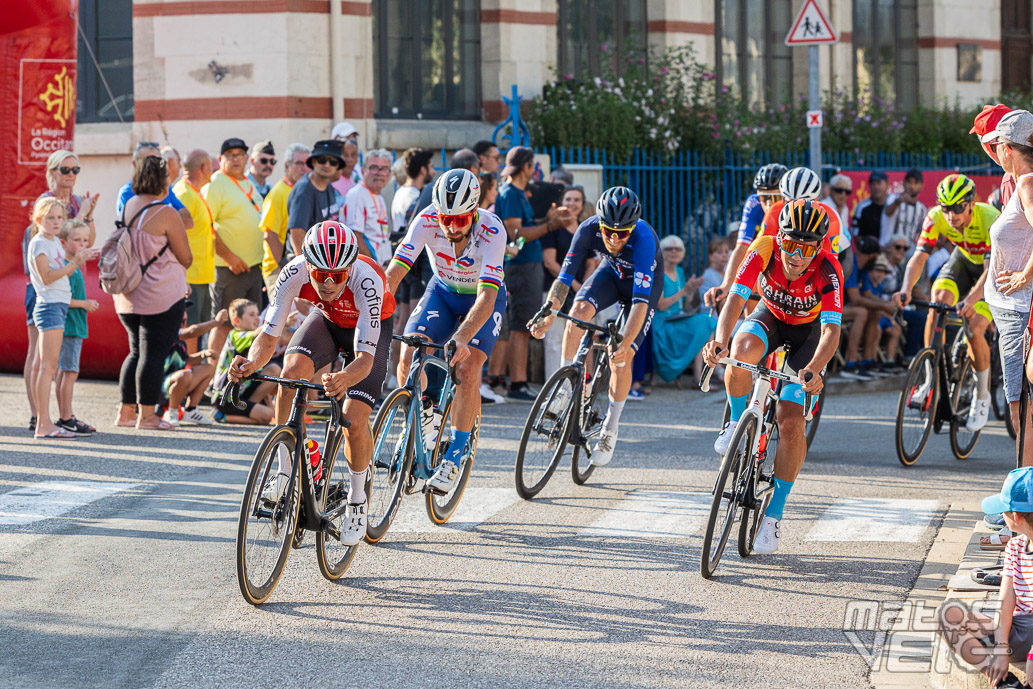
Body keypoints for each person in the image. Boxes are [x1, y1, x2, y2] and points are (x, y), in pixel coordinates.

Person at [229, 221, 396, 547]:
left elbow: (363, 359)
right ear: (308, 266)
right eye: (321, 275)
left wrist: (344, 377)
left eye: (338, 275)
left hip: (370, 331)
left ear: (350, 267)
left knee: (354, 416)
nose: (330, 283)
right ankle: (285, 470)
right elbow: (268, 335)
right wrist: (251, 365)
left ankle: (358, 500)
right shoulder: (291, 274)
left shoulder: (368, 281)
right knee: (291, 374)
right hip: (328, 321)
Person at [703, 200, 843, 554]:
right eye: (790, 244)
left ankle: (773, 518)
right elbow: (735, 299)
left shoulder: (828, 270)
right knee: (742, 348)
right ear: (778, 236)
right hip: (769, 316)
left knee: (790, 422)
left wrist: (815, 369)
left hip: (807, 335)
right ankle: (737, 423)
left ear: (819, 247)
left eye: (807, 248)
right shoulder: (763, 248)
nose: (796, 256)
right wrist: (719, 340)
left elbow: (830, 333)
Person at [387, 169, 507, 492]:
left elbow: (488, 296)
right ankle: (418, 422)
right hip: (441, 291)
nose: (451, 228)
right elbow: (397, 270)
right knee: (409, 354)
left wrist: (462, 337)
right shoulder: (426, 219)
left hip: (482, 300)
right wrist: (377, 311)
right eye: (445, 219)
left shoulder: (493, 230)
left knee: (466, 368)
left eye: (460, 221)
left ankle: (456, 453)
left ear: (475, 212)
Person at [531, 186, 662, 467]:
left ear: (633, 227)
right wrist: (549, 313)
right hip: (611, 275)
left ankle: (610, 429)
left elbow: (640, 304)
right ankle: (567, 387)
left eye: (622, 233)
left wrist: (625, 344)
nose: (614, 239)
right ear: (599, 223)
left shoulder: (643, 239)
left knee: (621, 358)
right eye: (608, 232)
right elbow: (563, 280)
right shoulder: (588, 228)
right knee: (577, 312)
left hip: (642, 292)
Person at [892, 173, 1000, 432]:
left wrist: (972, 300)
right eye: (946, 208)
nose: (951, 215)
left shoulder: (990, 218)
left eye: (958, 208)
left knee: (974, 327)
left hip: (991, 272)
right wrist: (906, 288)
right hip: (962, 263)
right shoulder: (935, 217)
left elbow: (990, 270)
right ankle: (930, 381)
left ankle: (981, 396)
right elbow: (919, 257)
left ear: (971, 203)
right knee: (936, 306)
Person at [113, 155, 192, 431]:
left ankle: (125, 412)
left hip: (127, 294)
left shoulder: (128, 206)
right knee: (153, 354)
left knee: (135, 351)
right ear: (163, 181)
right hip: (159, 293)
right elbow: (186, 256)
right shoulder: (165, 212)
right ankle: (147, 416)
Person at [936, 466, 1033, 689]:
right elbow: (1006, 602)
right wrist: (1000, 649)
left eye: (1003, 512)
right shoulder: (1015, 547)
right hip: (1020, 628)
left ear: (1015, 517)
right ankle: (1005, 683)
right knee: (946, 616)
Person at [497, 146, 574, 401]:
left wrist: (546, 220)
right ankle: (517, 383)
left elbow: (527, 228)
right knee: (521, 325)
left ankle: (517, 382)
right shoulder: (510, 194)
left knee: (523, 324)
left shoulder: (517, 193)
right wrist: (551, 225)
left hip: (528, 266)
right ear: (527, 167)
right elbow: (517, 235)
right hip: (521, 267)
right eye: (533, 166)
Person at [981, 110, 1033, 466]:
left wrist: (1025, 275)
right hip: (1010, 311)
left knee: (1020, 412)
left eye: (996, 144)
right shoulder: (1018, 182)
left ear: (1007, 148)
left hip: (1019, 312)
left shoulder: (1028, 182)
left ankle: (1022, 510)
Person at [28, 198, 99, 438]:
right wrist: (76, 263)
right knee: (47, 369)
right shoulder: (39, 244)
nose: (57, 222)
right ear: (38, 220)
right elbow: (46, 277)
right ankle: (43, 423)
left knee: (50, 368)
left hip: (57, 306)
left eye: (59, 217)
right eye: (51, 218)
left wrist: (87, 212)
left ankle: (46, 422)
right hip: (49, 307)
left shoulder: (53, 243)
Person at [205, 137, 265, 358]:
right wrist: (229, 257)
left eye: (240, 154)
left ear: (247, 158)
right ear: (221, 159)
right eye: (230, 155)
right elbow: (206, 227)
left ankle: (243, 377)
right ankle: (212, 377)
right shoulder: (216, 184)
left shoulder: (248, 183)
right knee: (224, 323)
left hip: (254, 267)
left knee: (251, 324)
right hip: (230, 268)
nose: (235, 159)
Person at [709, 163, 786, 308]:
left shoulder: (792, 206)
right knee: (751, 286)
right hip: (770, 251)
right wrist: (726, 285)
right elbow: (741, 248)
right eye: (764, 198)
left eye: (774, 196)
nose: (769, 203)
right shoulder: (754, 203)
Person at [540, 185, 597, 378]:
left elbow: (591, 262)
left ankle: (574, 387)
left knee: (577, 338)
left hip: (580, 293)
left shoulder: (585, 229)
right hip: (555, 289)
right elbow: (550, 262)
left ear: (582, 205)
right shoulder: (553, 228)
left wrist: (585, 285)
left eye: (576, 200)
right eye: (568, 199)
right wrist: (574, 285)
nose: (572, 204)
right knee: (554, 341)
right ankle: (553, 387)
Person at [390, 147, 436, 387]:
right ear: (422, 169)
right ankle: (400, 375)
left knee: (404, 319)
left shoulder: (400, 192)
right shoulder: (416, 195)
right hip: (415, 263)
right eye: (431, 166)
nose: (433, 170)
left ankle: (392, 374)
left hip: (406, 262)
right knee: (411, 324)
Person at [55, 219, 100, 435]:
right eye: (77, 240)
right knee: (70, 372)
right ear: (63, 242)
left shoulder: (73, 267)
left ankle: (66, 415)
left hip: (74, 325)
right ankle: (66, 416)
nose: (82, 245)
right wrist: (85, 303)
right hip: (71, 326)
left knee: (65, 372)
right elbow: (62, 298)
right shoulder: (68, 268)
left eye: (85, 240)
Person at [652, 234, 712, 384]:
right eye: (669, 248)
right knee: (705, 322)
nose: (674, 252)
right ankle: (701, 376)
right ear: (661, 251)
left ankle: (699, 376)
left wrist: (690, 291)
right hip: (662, 324)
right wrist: (684, 291)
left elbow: (684, 305)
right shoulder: (658, 272)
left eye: (677, 249)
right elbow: (660, 305)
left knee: (707, 324)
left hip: (677, 320)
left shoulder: (679, 272)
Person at [213, 299, 281, 425]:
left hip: (244, 390)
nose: (257, 318)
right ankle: (222, 416)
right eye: (251, 315)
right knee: (267, 416)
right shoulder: (236, 335)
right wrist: (280, 322)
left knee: (274, 369)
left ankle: (250, 407)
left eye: (257, 314)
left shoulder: (251, 337)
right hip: (226, 396)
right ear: (236, 321)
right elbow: (258, 334)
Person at [259, 142, 311, 297]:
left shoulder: (304, 189)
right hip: (279, 267)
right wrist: (286, 268)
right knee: (284, 318)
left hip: (301, 264)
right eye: (299, 163)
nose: (304, 168)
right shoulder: (278, 193)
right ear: (287, 166)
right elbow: (270, 235)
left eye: (308, 164)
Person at [173, 150, 216, 332]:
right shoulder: (184, 194)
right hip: (190, 276)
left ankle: (196, 361)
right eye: (212, 167)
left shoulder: (192, 192)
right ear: (204, 167)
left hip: (200, 274)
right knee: (190, 329)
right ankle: (190, 362)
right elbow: (173, 235)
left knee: (199, 329)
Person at [160, 308, 226, 426]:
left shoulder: (180, 340)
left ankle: (191, 410)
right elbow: (192, 331)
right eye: (181, 321)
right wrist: (216, 322)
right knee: (185, 375)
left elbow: (187, 360)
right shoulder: (165, 332)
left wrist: (203, 354)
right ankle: (172, 412)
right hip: (160, 385)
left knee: (209, 368)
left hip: (178, 380)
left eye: (184, 321)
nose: (183, 324)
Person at [286, 139, 345, 258]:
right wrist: (305, 267)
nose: (327, 165)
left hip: (322, 259)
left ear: (337, 166)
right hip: (306, 261)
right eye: (322, 160)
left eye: (333, 162)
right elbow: (296, 232)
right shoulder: (304, 190)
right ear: (313, 162)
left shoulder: (328, 187)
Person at [116, 142, 193, 230]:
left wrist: (157, 219)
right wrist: (170, 218)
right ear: (135, 164)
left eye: (159, 162)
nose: (154, 167)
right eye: (148, 162)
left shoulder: (166, 189)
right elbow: (138, 228)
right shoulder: (127, 192)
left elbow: (188, 221)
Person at [38, 149, 98, 246]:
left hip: (76, 260)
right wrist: (81, 214)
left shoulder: (78, 201)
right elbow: (59, 239)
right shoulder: (46, 202)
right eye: (65, 170)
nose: (71, 174)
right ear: (52, 172)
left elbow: (89, 243)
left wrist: (89, 216)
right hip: (53, 260)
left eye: (75, 170)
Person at [345, 148, 393, 265]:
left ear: (389, 173)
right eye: (374, 168)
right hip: (364, 267)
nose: (379, 173)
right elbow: (355, 236)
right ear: (363, 171)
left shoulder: (378, 195)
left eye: (384, 169)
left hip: (379, 264)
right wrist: (373, 267)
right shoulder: (357, 195)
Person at [857, 254, 903, 374]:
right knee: (877, 329)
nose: (880, 274)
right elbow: (868, 297)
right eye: (877, 270)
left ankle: (889, 361)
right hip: (872, 314)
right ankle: (872, 360)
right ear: (871, 270)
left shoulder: (880, 285)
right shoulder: (867, 280)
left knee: (896, 329)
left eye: (883, 272)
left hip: (880, 313)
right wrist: (886, 306)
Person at [882, 169, 927, 249]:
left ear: (921, 186)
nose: (911, 186)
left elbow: (922, 232)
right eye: (909, 182)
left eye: (915, 183)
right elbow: (888, 212)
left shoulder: (922, 209)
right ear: (904, 183)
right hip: (889, 249)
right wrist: (898, 202)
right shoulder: (893, 199)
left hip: (908, 250)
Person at [852, 170, 890, 241]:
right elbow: (856, 235)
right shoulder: (862, 207)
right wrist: (869, 242)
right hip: (868, 250)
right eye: (873, 184)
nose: (876, 187)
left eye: (879, 183)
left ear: (887, 185)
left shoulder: (894, 204)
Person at [331, 128, 363, 198]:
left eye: (353, 155)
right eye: (345, 155)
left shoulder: (358, 179)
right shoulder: (331, 182)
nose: (349, 159)